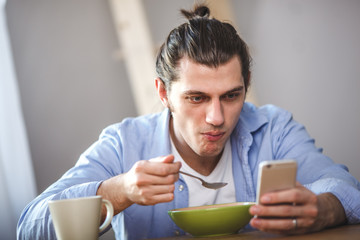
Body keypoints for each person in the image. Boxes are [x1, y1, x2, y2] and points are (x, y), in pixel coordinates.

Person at [17, 4, 360, 240]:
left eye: (231, 95)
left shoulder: (274, 127)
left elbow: (347, 191)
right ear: (163, 94)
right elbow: (29, 227)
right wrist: (118, 191)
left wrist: (325, 209)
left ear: (247, 85)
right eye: (196, 98)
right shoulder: (125, 143)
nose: (217, 118)